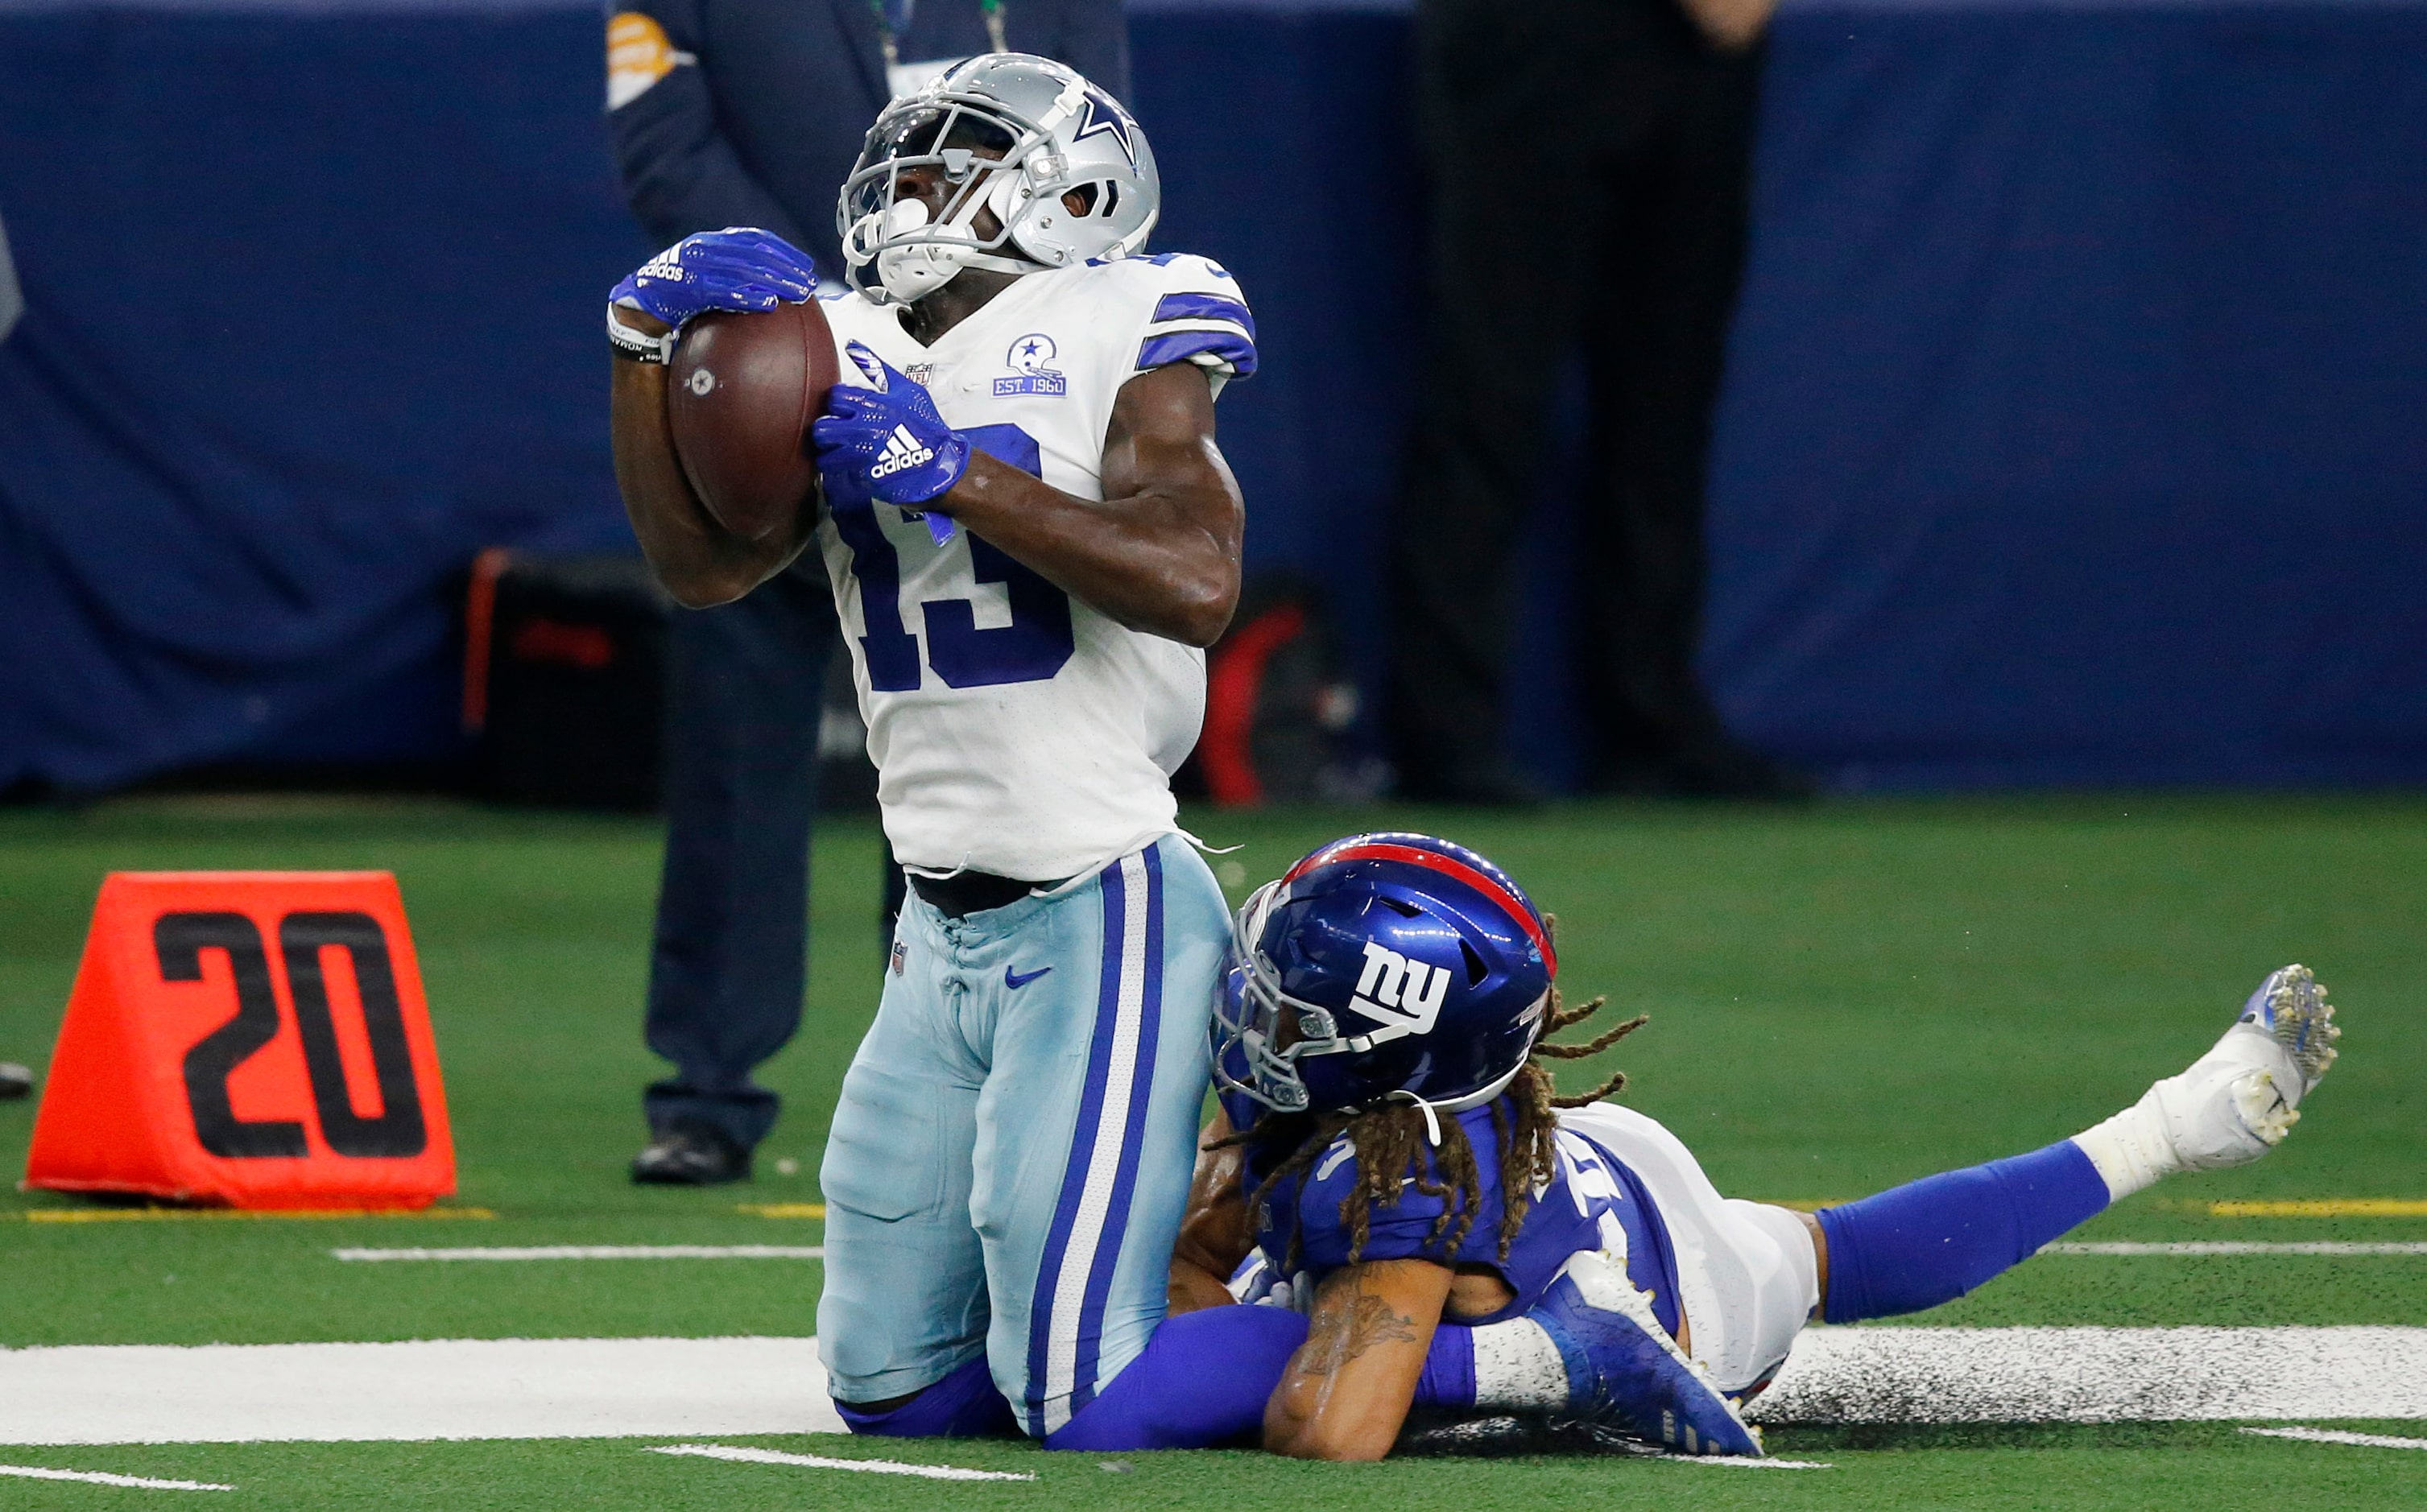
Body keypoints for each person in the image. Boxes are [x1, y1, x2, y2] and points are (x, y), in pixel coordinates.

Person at [606, 56, 1259, 1440]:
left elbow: (1197, 581)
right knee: (890, 1389)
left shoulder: (1126, 314)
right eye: (900, 162)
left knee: (1083, 1397)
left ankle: (1424, 1347)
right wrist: (639, 360)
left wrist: (952, 467)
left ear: (1070, 194)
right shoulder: (847, 341)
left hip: (1100, 901)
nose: (900, 191)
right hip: (934, 929)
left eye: (943, 162)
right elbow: (707, 572)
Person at [1048, 832, 2339, 1457]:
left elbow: (1333, 1432)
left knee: (1260, 1357)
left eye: (1290, 1001)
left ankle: (1542, 1356)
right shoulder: (1413, 1109)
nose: (1253, 1009)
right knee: (1822, 1250)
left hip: (1679, 1312)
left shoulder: (1394, 1173)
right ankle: (2174, 1124)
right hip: (1631, 1181)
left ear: (1386, 1045)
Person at [607, 0, 1130, 1184]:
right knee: (734, 758)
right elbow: (664, 149)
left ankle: (977, 1073)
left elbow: (1093, 152)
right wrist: (830, 318)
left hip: (990, 382)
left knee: (985, 734)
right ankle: (705, 1087)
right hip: (772, 383)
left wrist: (948, 316)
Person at [1383, 0, 1807, 803]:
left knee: (1666, 403)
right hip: (1537, 41)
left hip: (1700, 55)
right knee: (1489, 397)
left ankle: (1653, 725)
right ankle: (1448, 738)